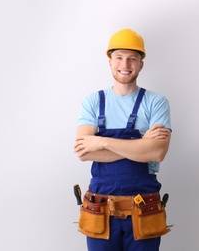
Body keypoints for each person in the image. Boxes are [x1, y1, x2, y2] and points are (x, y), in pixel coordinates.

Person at [74, 28, 172, 251]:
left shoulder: (156, 102)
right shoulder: (93, 102)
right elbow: (83, 151)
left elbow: (157, 152)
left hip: (144, 209)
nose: (125, 65)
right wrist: (142, 144)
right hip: (100, 210)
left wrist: (101, 141)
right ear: (110, 62)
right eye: (119, 58)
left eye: (132, 59)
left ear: (140, 64)